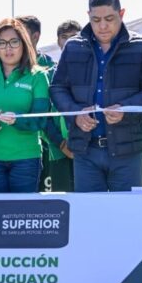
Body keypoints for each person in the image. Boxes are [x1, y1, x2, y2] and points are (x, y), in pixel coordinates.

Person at [50, 0, 142, 192]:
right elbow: (57, 88)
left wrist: (126, 109)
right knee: (90, 217)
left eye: (109, 18)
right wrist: (76, 114)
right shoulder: (73, 47)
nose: (102, 26)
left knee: (125, 216)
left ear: (121, 14)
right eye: (95, 20)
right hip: (85, 151)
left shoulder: (141, 46)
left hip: (127, 151)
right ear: (88, 16)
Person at [0, 19, 51, 192]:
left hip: (26, 158)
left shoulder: (37, 76)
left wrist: (17, 120)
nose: (8, 48)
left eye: (14, 42)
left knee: (21, 213)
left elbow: (41, 120)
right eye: (2, 43)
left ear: (24, 44)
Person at [44, 20, 81, 192]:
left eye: (73, 37)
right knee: (61, 206)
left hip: (87, 152)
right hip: (58, 151)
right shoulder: (47, 75)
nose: (67, 41)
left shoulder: (92, 72)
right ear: (58, 41)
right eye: (63, 37)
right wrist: (60, 143)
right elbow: (43, 116)